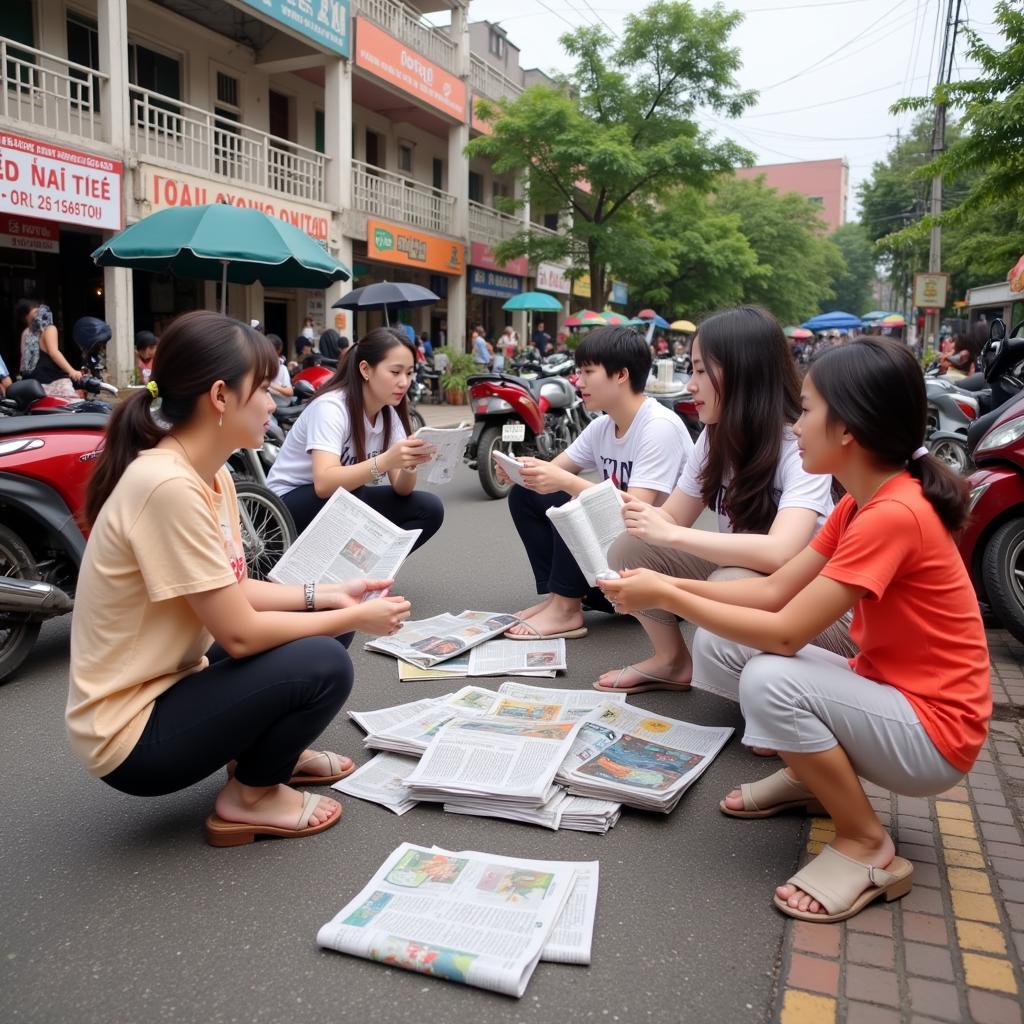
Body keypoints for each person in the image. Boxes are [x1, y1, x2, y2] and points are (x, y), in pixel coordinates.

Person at [600, 336, 989, 923]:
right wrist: (665, 589)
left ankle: (866, 843)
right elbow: (775, 590)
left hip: (935, 737)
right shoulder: (861, 502)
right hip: (893, 696)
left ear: (849, 428)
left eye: (807, 410)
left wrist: (669, 591)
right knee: (745, 654)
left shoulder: (892, 514)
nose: (797, 424)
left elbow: (783, 631)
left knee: (769, 678)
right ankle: (812, 781)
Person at [67, 311, 412, 846]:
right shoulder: (167, 486)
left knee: (322, 623)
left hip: (177, 678)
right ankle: (250, 795)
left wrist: (330, 595)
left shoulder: (213, 473)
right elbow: (240, 634)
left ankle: (269, 755)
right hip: (131, 735)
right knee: (325, 658)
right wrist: (356, 616)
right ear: (221, 397)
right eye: (264, 389)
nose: (275, 403)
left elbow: (235, 589)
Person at [594, 306, 853, 695]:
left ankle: (791, 695)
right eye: (691, 369)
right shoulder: (714, 438)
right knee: (631, 546)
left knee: (729, 578)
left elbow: (782, 554)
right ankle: (672, 661)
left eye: (700, 370)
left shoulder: (796, 445)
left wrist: (671, 538)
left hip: (820, 614)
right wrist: (621, 511)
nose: (691, 383)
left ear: (742, 371)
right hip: (755, 586)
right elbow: (670, 518)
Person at [501, 325, 694, 641]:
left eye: (588, 372)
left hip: (653, 575)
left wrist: (565, 482)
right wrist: (519, 472)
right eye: (578, 372)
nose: (579, 381)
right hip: (614, 564)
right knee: (526, 495)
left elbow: (636, 510)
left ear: (620, 375)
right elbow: (554, 472)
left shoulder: (658, 427)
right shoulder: (603, 426)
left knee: (578, 502)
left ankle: (566, 610)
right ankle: (560, 597)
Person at [267, 327, 445, 546]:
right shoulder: (332, 407)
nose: (404, 382)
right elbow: (324, 483)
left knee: (429, 509)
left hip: (340, 499)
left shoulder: (388, 414)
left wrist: (409, 464)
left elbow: (402, 488)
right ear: (366, 370)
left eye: (409, 373)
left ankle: (371, 572)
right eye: (395, 372)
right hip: (285, 506)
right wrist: (386, 460)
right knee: (353, 494)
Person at [19, 302, 82, 397]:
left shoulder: (25, 332)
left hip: (29, 386)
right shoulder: (49, 329)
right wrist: (72, 371)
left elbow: (23, 362)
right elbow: (53, 353)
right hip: (50, 383)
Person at [266, 334, 293, 405]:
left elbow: (290, 392)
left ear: (278, 350)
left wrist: (271, 385)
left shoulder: (282, 368)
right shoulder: (261, 365)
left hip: (280, 404)